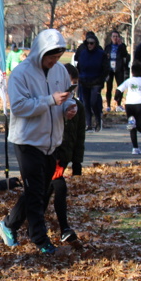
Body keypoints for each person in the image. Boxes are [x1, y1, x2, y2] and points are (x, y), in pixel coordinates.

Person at [0, 29, 75, 254]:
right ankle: (40, 239)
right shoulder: (21, 73)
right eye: (51, 57)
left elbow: (67, 98)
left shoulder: (60, 71)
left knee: (40, 189)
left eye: (58, 57)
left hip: (51, 141)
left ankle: (8, 224)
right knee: (36, 191)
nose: (54, 61)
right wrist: (49, 100)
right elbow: (19, 107)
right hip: (27, 140)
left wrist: (69, 108)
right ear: (40, 52)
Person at [48, 63, 85, 244]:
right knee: (59, 188)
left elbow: (79, 136)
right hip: (51, 155)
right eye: (69, 84)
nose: (71, 89)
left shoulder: (78, 107)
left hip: (64, 158)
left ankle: (14, 224)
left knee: (45, 193)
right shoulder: (52, 104)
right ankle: (64, 228)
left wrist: (77, 163)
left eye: (74, 85)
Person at [72, 31, 108, 131]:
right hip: (84, 81)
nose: (89, 45)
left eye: (91, 43)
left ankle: (98, 119)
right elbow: (78, 65)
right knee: (86, 103)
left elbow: (105, 68)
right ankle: (88, 124)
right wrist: (79, 77)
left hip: (96, 81)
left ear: (95, 43)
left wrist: (101, 80)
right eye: (88, 43)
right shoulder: (83, 53)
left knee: (93, 102)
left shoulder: (101, 54)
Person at [116, 61, 141, 155]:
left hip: (129, 105)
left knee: (132, 127)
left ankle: (135, 148)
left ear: (132, 72)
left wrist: (117, 99)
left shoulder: (128, 81)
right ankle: (137, 124)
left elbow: (119, 90)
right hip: (140, 105)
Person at [103, 30, 129, 111]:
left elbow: (125, 55)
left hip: (119, 69)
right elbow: (104, 57)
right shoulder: (108, 47)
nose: (115, 38)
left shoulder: (122, 46)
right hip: (110, 69)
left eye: (117, 36)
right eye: (113, 36)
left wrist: (120, 45)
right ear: (111, 38)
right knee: (109, 87)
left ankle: (118, 104)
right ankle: (108, 105)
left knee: (120, 87)